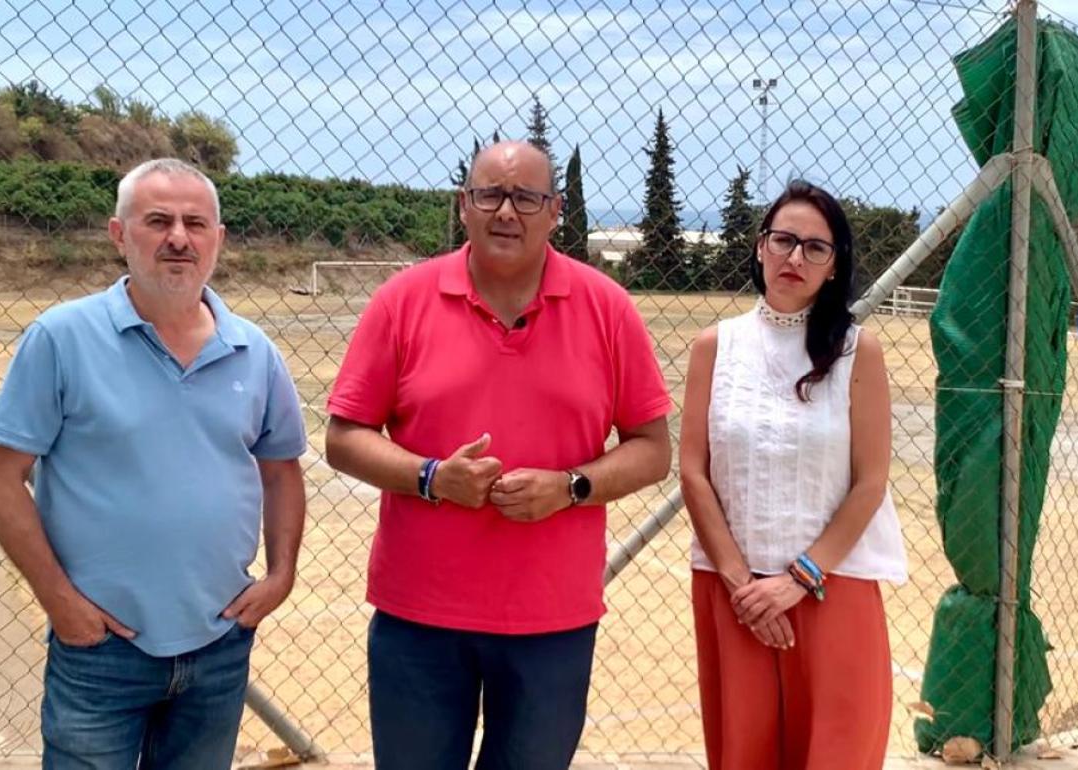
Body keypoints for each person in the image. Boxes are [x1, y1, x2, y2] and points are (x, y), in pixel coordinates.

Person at [325, 140, 672, 770]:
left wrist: (570, 486)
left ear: (555, 210)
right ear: (464, 205)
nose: (506, 211)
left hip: (552, 620)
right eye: (490, 194)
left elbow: (652, 451)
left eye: (526, 197)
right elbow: (344, 437)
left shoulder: (607, 309)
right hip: (420, 616)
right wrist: (432, 478)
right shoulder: (402, 301)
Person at [0, 158, 308, 770]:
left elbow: (281, 467)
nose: (179, 238)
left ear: (218, 239)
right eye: (158, 221)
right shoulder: (61, 338)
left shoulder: (254, 352)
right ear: (119, 235)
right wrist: (60, 602)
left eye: (195, 223)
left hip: (219, 642)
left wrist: (281, 573)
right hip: (100, 646)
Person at [679, 180, 907, 769]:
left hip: (833, 586)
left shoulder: (860, 352)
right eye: (783, 241)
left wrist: (799, 578)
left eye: (815, 247)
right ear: (760, 248)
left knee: (838, 753)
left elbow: (870, 482)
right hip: (736, 592)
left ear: (835, 266)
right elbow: (694, 473)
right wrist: (740, 583)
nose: (795, 258)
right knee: (743, 753)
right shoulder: (714, 347)